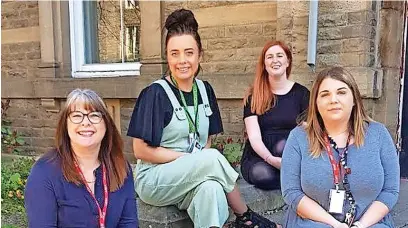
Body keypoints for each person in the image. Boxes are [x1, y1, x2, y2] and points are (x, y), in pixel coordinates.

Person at [127, 8, 279, 228]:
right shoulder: (155, 94)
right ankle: (245, 216)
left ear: (200, 55)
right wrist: (189, 160)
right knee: (210, 158)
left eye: (189, 52)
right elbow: (140, 150)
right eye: (174, 53)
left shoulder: (205, 90)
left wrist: (196, 163)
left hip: (192, 176)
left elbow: (206, 140)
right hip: (156, 179)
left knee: (212, 189)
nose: (182, 60)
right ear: (167, 57)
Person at [281, 67, 400, 228]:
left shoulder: (378, 134)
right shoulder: (298, 137)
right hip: (312, 223)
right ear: (315, 102)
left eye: (341, 92)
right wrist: (334, 225)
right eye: (325, 94)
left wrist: (361, 225)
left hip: (370, 223)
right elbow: (291, 192)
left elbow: (390, 191)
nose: (333, 99)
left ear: (354, 99)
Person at [25, 89, 139, 228]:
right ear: (65, 125)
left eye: (94, 115)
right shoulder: (44, 172)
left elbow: (128, 223)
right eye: (77, 116)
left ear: (106, 124)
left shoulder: (120, 166)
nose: (86, 122)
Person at [241, 40, 310, 190]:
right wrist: (270, 159)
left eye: (279, 55)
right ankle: (294, 180)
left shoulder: (302, 94)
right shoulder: (254, 96)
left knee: (283, 146)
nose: (275, 60)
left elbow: (306, 132)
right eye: (269, 57)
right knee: (262, 175)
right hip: (260, 155)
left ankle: (294, 176)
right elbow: (254, 137)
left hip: (291, 152)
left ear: (287, 62)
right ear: (264, 64)